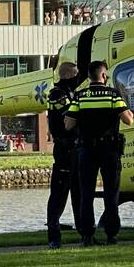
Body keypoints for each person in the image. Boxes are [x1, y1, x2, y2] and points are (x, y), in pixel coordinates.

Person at [65, 60, 134, 246]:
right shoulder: (113, 95)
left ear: (89, 76)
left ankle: (87, 235)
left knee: (86, 193)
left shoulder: (80, 96)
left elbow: (68, 124)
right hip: (110, 150)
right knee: (111, 193)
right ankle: (112, 235)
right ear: (104, 76)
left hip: (87, 150)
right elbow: (129, 120)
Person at [45, 62, 81, 249]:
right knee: (59, 194)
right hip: (64, 149)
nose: (78, 77)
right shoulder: (58, 94)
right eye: (75, 74)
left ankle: (84, 232)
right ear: (67, 75)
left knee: (79, 193)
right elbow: (70, 119)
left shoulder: (72, 93)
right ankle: (54, 236)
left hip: (75, 149)